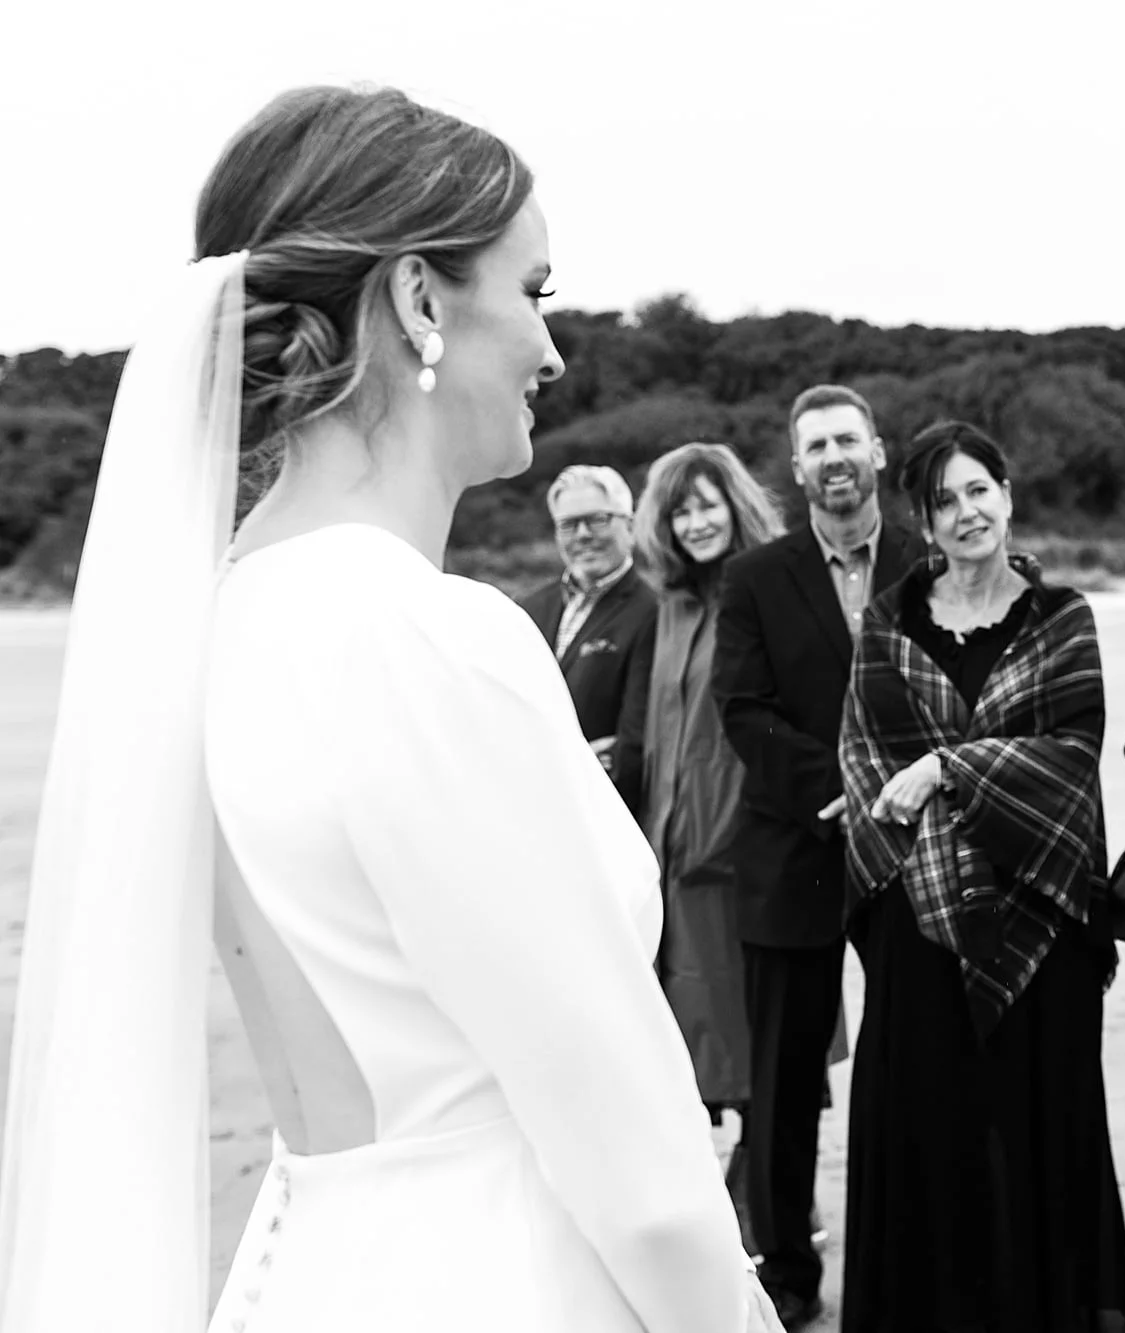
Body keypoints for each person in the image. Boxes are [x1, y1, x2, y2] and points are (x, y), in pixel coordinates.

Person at [0, 86, 774, 1333]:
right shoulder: (432, 640)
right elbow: (640, 1178)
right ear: (420, 298)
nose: (552, 350)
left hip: (312, 1264)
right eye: (535, 292)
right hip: (509, 1275)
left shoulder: (213, 629)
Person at [838, 420, 1125, 1333]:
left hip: (1040, 920)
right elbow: (861, 759)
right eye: (942, 502)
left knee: (1036, 1139)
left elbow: (1073, 755)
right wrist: (919, 797)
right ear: (922, 521)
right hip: (914, 925)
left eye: (978, 491)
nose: (966, 513)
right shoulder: (887, 622)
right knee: (926, 1140)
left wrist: (948, 769)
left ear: (1007, 495)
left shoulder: (1064, 617)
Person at [711, 384, 922, 1326]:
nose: (834, 456)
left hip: (916, 847)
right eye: (815, 445)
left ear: (877, 452)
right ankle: (787, 1273)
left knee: (914, 1058)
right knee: (784, 1083)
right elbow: (743, 707)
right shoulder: (755, 577)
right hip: (794, 844)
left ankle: (906, 1253)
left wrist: (901, 789)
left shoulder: (929, 560)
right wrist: (835, 789)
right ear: (796, 468)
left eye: (848, 438)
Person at [618, 442, 784, 1242]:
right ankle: (727, 1215)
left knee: (752, 1048)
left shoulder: (768, 589)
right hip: (671, 856)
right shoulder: (672, 604)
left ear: (736, 502)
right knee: (688, 1047)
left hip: (737, 857)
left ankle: (768, 1217)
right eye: (681, 509)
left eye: (708, 502)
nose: (696, 521)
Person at [518, 464, 657, 814]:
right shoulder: (530, 608)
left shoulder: (652, 611)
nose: (582, 535)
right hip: (530, 808)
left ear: (630, 524)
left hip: (603, 814)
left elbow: (633, 744)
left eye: (597, 519)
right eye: (568, 524)